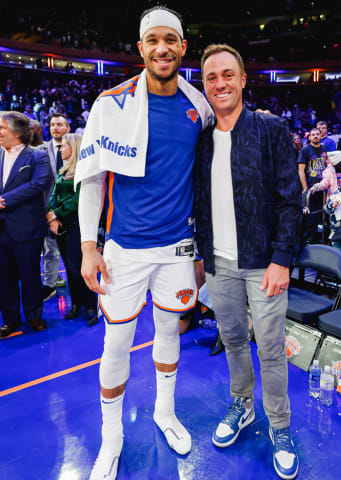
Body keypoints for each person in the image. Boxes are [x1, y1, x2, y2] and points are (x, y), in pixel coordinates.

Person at [75, 8, 215, 479]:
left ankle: (165, 412)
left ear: (182, 48)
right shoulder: (110, 104)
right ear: (140, 48)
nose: (162, 48)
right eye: (153, 40)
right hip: (124, 249)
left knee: (170, 332)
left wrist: (199, 251)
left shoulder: (200, 108)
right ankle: (111, 439)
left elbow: (203, 184)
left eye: (170, 40)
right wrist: (89, 247)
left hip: (177, 247)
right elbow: (91, 180)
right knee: (117, 342)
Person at [194, 43, 301, 480]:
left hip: (263, 265)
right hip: (218, 264)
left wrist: (282, 259)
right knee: (234, 341)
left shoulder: (270, 129)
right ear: (205, 86)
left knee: (271, 350)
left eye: (227, 75)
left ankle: (280, 427)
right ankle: (241, 406)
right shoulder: (201, 140)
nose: (220, 83)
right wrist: (201, 257)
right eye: (212, 78)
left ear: (242, 80)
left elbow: (292, 202)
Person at [0, 111, 51, 337]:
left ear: (17, 132)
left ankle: (34, 316)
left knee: (30, 276)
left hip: (27, 227)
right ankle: (10, 319)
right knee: (4, 277)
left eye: (2, 128)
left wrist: (5, 200)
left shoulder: (37, 155)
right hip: (1, 229)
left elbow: (39, 183)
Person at [46, 133, 97, 325]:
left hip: (77, 224)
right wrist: (51, 213)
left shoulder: (84, 171)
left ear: (74, 148)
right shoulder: (62, 170)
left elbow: (78, 201)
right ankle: (76, 304)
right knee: (68, 267)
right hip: (61, 224)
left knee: (79, 267)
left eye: (64, 146)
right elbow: (53, 194)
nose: (60, 150)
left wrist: (55, 213)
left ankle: (91, 306)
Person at [39, 112, 71, 299]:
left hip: (71, 207)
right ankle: (49, 284)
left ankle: (78, 287)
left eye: (59, 124)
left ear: (67, 128)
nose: (55, 128)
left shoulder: (77, 148)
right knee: (49, 248)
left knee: (74, 252)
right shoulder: (40, 150)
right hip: (48, 207)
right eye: (52, 125)